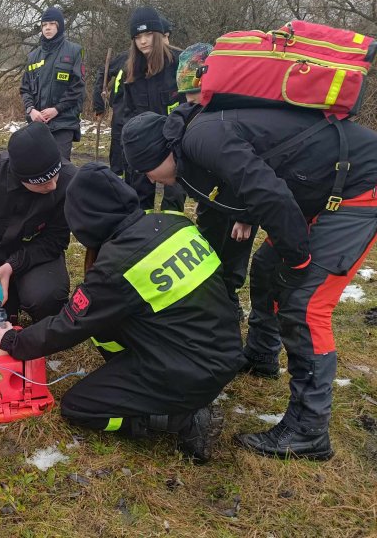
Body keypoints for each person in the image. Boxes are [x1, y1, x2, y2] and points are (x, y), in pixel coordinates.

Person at [122, 104, 377, 460]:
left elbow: (268, 193)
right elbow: (254, 169)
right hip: (318, 186)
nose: (149, 179)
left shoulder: (202, 137)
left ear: (160, 153)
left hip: (356, 187)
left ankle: (308, 430)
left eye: (146, 169)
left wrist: (298, 258)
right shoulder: (193, 137)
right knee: (265, 267)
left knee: (306, 305)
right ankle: (261, 354)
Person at [0, 163, 244, 462]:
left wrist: (12, 342)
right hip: (222, 348)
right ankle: (137, 376)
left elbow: (69, 323)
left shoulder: (118, 266)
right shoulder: (175, 222)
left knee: (80, 406)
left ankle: (181, 420)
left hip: (190, 370)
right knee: (104, 325)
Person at [0, 122, 76, 329]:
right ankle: (12, 299)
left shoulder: (69, 181)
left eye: (56, 176)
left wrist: (12, 266)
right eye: (43, 183)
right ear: (20, 178)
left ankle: (29, 295)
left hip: (38, 255)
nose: (53, 186)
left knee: (47, 298)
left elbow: (55, 240)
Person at [174, 43, 257, 319]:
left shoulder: (237, 113)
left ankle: (230, 300)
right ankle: (209, 297)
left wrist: (246, 214)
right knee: (209, 242)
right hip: (211, 198)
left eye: (195, 92)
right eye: (186, 94)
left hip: (241, 201)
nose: (190, 99)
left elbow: (252, 170)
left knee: (235, 252)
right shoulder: (194, 112)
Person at [120, 6, 186, 211]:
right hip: (143, 145)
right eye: (138, 36)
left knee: (174, 199)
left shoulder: (180, 64)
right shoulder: (131, 71)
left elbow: (192, 107)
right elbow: (127, 114)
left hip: (176, 144)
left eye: (148, 34)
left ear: (158, 34)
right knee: (139, 200)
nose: (144, 41)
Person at [20, 7, 85, 160]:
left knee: (61, 167)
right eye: (44, 25)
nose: (47, 28)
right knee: (37, 167)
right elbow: (25, 88)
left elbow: (78, 88)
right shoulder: (33, 56)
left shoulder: (74, 51)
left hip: (64, 122)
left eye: (52, 24)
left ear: (59, 26)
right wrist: (31, 110)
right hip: (38, 123)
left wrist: (57, 109)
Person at [92, 52, 128, 176]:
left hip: (148, 116)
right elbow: (103, 72)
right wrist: (99, 105)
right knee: (118, 152)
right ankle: (115, 183)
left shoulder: (171, 57)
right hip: (121, 113)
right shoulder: (124, 57)